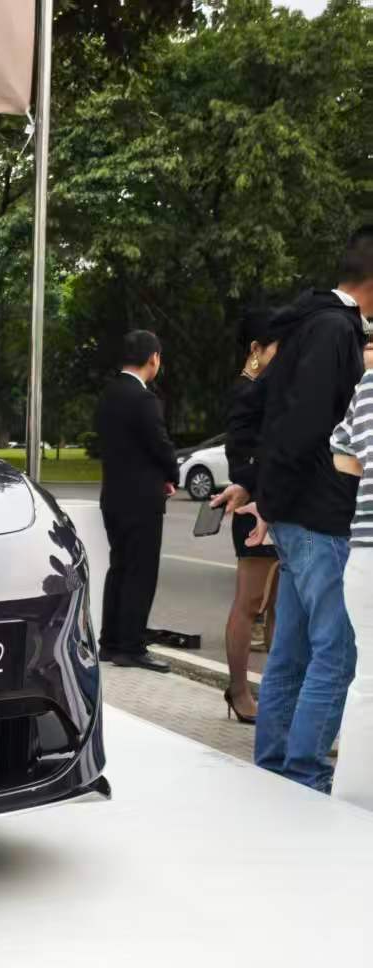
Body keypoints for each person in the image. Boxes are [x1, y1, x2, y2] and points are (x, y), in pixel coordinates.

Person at [240, 225, 373, 793]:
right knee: (334, 655)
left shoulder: (305, 323)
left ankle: (274, 767)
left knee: (291, 652)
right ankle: (303, 774)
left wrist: (268, 496)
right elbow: (305, 424)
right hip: (321, 515)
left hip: (297, 512)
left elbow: (265, 409)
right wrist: (274, 496)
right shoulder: (335, 330)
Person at [207, 309, 282, 724]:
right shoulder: (246, 391)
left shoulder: (270, 387)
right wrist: (256, 483)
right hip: (252, 506)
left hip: (277, 504)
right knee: (250, 602)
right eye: (278, 348)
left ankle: (276, 692)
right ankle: (238, 690)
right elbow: (240, 457)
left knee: (278, 607)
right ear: (256, 349)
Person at [96, 330, 176, 672]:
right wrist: (171, 473)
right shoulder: (143, 399)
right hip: (142, 499)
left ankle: (109, 642)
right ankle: (131, 646)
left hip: (113, 495)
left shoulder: (109, 394)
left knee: (119, 567)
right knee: (140, 572)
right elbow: (159, 443)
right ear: (153, 358)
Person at [329, 337, 373, 811]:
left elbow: (341, 452)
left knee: (367, 683)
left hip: (364, 552)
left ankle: (354, 802)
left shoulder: (368, 386)